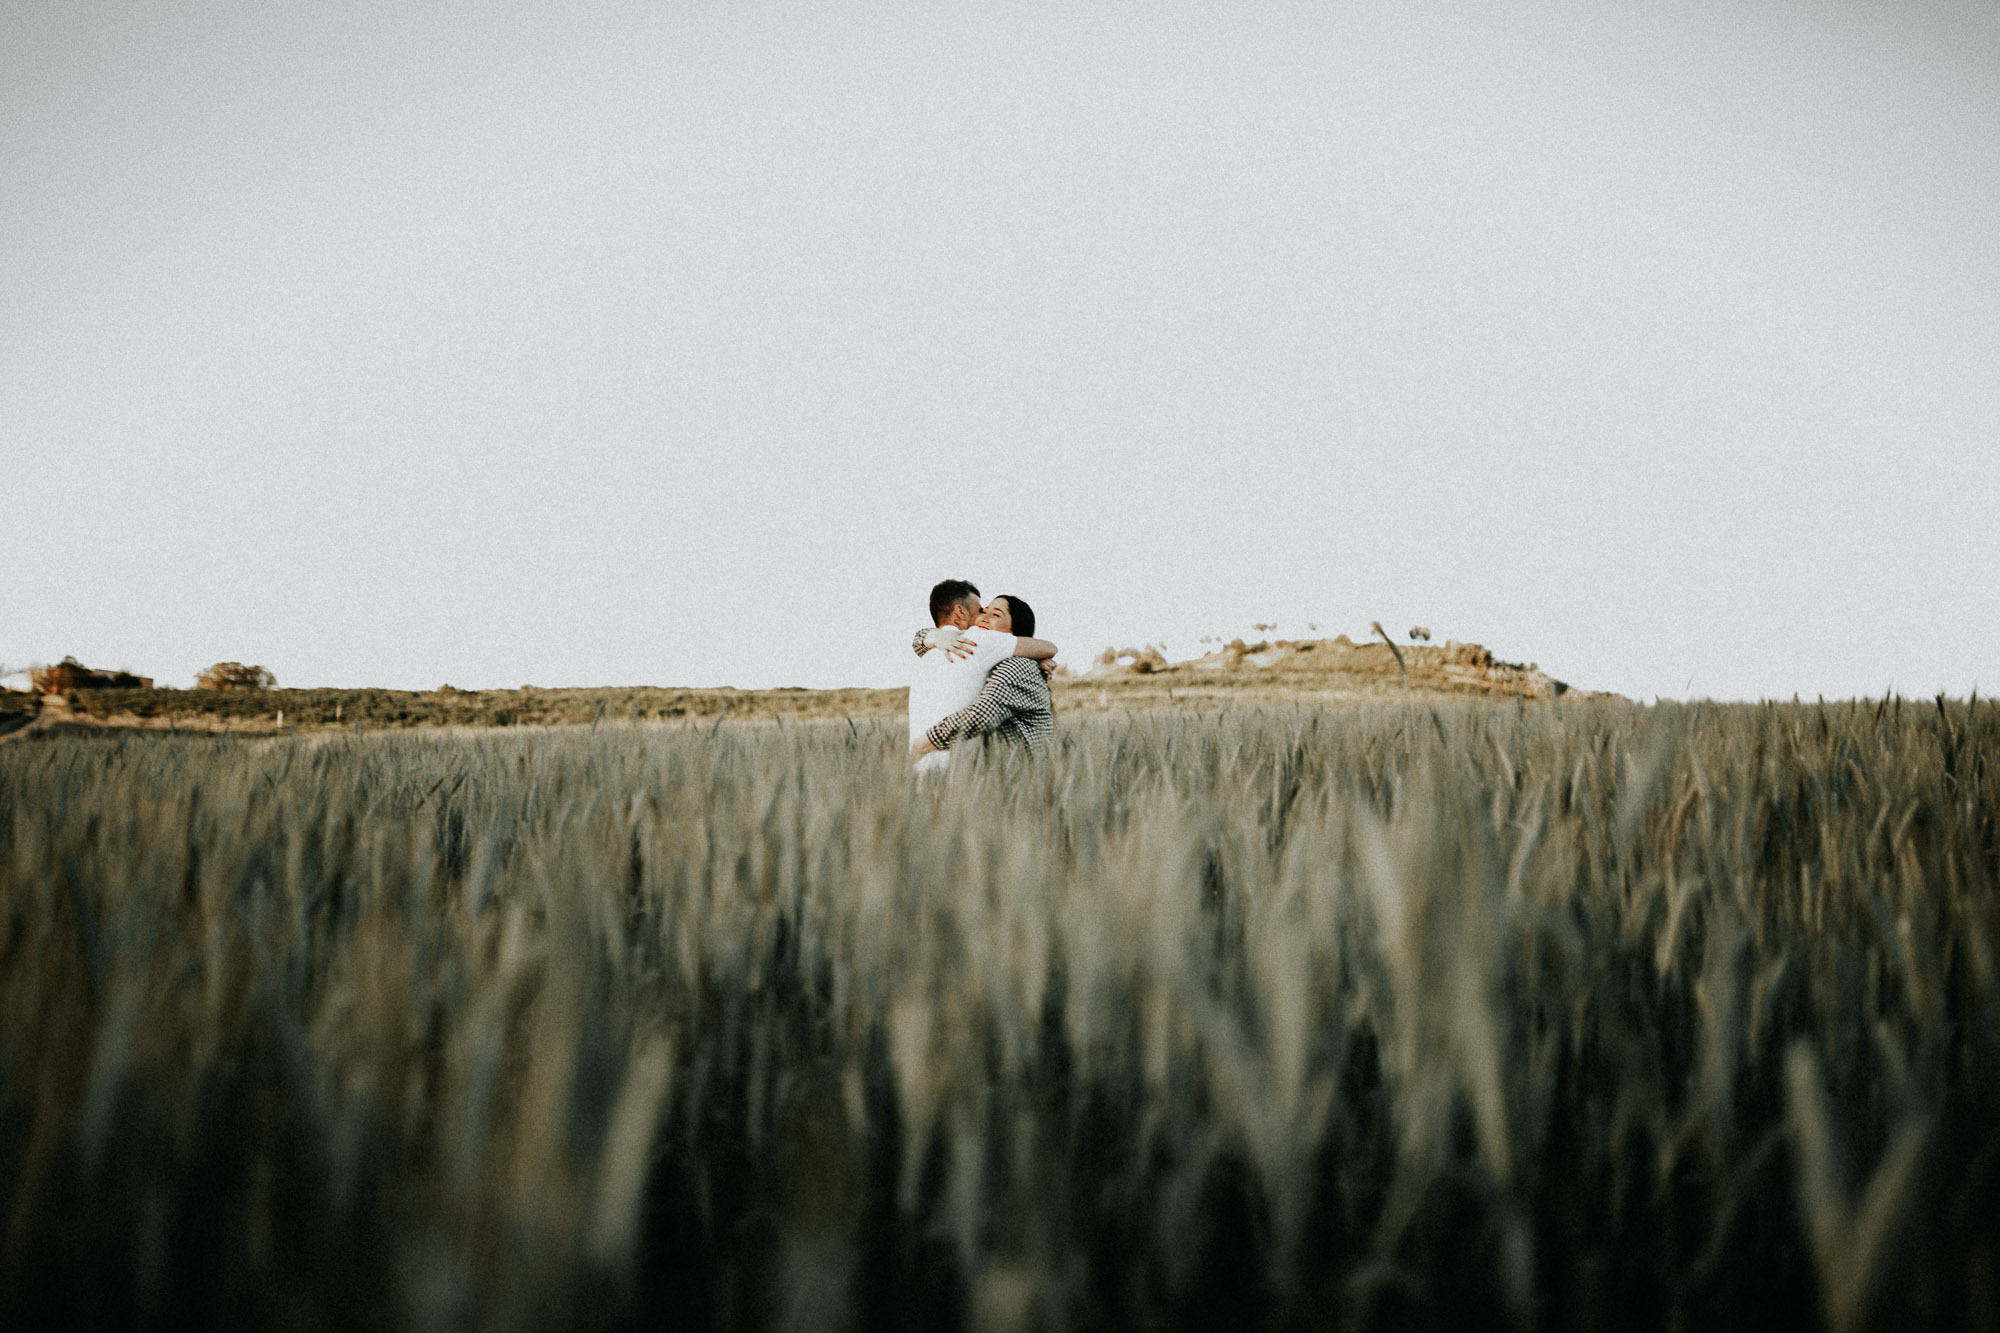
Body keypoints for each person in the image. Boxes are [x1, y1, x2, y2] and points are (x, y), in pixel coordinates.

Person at [908, 580, 1057, 774]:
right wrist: (933, 637)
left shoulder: (1014, 663)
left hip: (1022, 779)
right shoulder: (969, 648)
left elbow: (981, 714)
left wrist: (922, 745)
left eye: (995, 614)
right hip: (999, 780)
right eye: (983, 611)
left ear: (1016, 628)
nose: (983, 617)